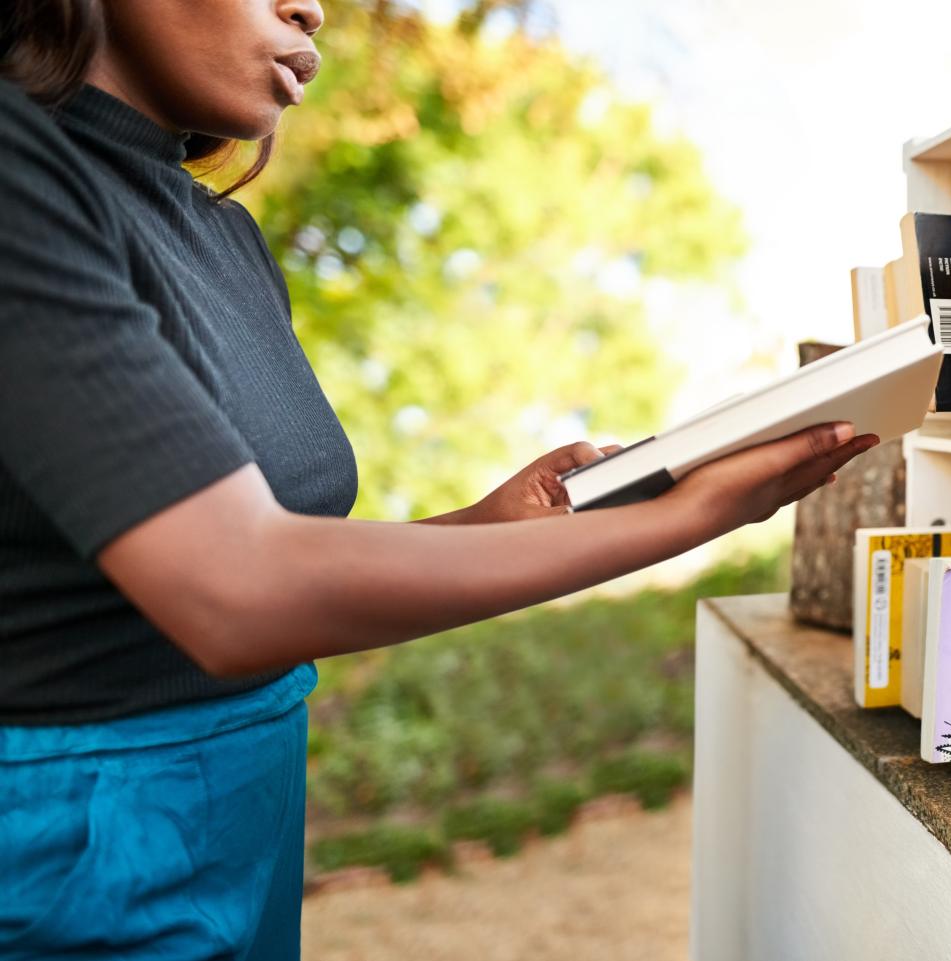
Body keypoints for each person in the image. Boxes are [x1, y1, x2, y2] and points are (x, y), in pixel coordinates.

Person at [0, 2, 878, 957]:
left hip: (246, 815)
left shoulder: (225, 238)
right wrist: (684, 519)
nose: (312, 9)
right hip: (73, 849)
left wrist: (494, 522)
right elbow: (236, 589)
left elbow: (279, 562)